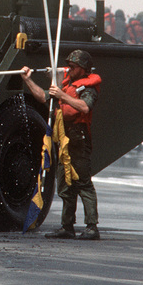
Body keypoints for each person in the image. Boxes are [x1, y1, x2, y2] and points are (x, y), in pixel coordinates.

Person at [21, 49, 103, 240]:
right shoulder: (66, 85)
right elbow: (43, 97)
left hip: (78, 138)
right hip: (63, 137)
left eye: (74, 67)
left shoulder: (89, 88)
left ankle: (92, 227)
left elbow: (84, 107)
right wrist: (28, 80)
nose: (70, 69)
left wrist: (62, 95)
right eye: (70, 66)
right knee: (65, 183)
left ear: (83, 69)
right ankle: (67, 226)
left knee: (82, 182)